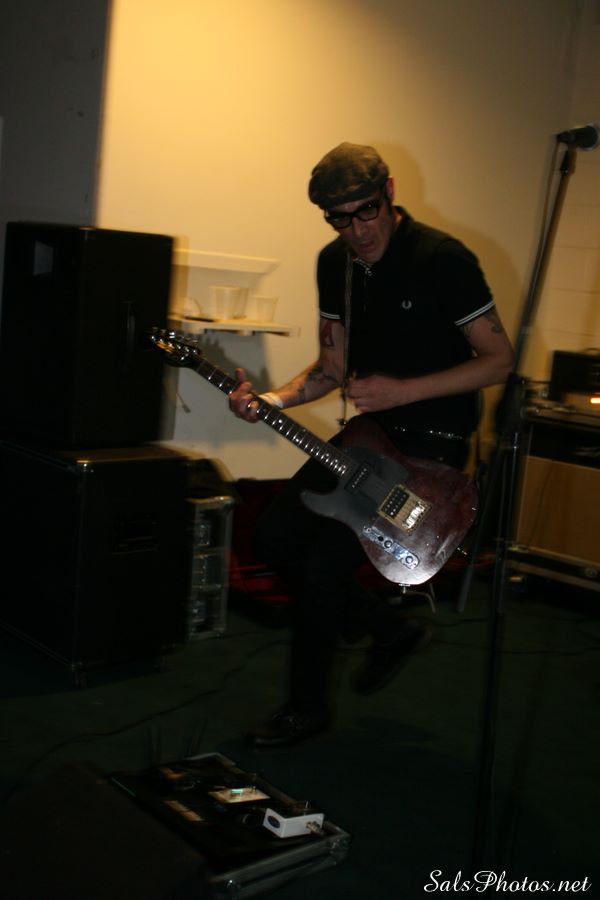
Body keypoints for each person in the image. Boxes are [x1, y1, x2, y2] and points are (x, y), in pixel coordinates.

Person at [229, 142, 514, 748]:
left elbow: (497, 361)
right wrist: (271, 400)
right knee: (273, 538)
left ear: (388, 193)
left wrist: (402, 391)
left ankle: (306, 709)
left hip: (430, 447)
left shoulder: (442, 259)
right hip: (368, 437)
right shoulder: (335, 264)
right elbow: (331, 369)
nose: (358, 231)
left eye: (367, 212)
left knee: (323, 567)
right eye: (340, 219)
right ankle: (388, 629)